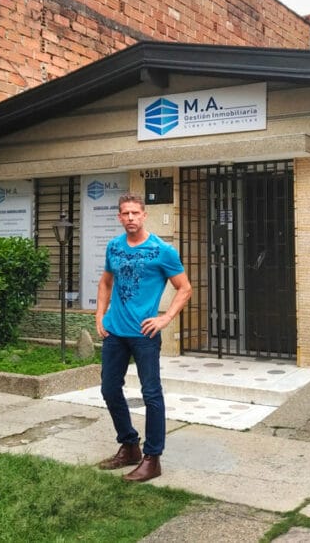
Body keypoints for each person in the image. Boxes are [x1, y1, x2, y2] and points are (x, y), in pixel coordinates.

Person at [94, 192, 192, 482]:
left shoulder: (162, 250)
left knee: (151, 393)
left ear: (144, 215)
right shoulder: (114, 246)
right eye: (125, 213)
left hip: (144, 334)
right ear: (119, 217)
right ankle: (129, 446)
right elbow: (106, 281)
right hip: (115, 332)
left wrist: (165, 318)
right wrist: (100, 315)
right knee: (109, 389)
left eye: (135, 213)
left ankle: (152, 458)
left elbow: (185, 288)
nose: (130, 218)